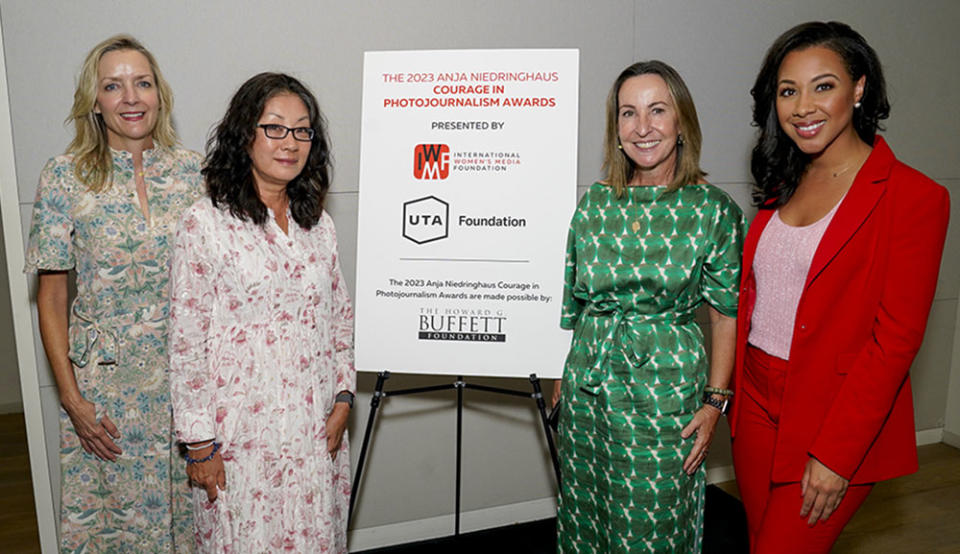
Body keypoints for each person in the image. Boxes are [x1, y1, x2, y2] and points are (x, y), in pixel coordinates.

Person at [731, 21, 950, 553]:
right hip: (756, 403)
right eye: (788, 91)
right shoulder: (781, 182)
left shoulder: (915, 197)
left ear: (859, 87)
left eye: (822, 85)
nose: (803, 106)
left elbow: (894, 342)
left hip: (833, 416)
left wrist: (837, 455)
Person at [553, 60, 743, 552]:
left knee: (653, 525)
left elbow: (726, 314)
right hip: (588, 388)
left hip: (664, 394)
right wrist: (560, 377)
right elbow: (572, 302)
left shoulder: (712, 210)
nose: (642, 127)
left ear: (682, 122)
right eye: (628, 113)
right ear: (615, 130)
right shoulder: (594, 204)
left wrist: (715, 402)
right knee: (587, 514)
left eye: (657, 110)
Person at [24, 35, 202, 551]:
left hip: (185, 386)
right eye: (113, 85)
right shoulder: (64, 178)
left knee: (192, 523)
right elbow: (52, 299)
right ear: (94, 101)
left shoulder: (194, 174)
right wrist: (72, 400)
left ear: (159, 95)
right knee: (118, 531)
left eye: (142, 83)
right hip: (105, 393)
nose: (130, 97)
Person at [169, 72, 355, 552]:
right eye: (274, 127)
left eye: (302, 130)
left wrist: (343, 397)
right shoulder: (205, 223)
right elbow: (186, 343)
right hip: (239, 441)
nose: (289, 142)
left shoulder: (319, 224)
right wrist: (200, 444)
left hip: (315, 432)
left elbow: (339, 319)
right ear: (244, 134)